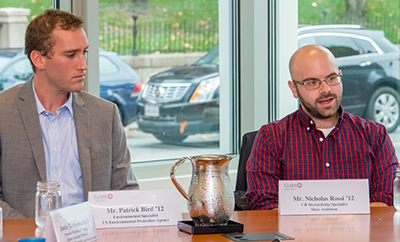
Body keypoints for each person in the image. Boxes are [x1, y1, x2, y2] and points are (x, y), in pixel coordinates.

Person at [0, 9, 139, 219]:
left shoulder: (105, 114)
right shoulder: (3, 111)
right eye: (71, 54)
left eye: (84, 53)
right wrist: (35, 233)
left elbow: (125, 192)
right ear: (38, 59)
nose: (83, 65)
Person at [246, 44, 399, 210]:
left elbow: (388, 202)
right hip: (295, 237)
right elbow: (263, 207)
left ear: (340, 76)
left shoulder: (375, 135)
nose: (326, 90)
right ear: (294, 88)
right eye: (312, 82)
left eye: (332, 78)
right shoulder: (271, 137)